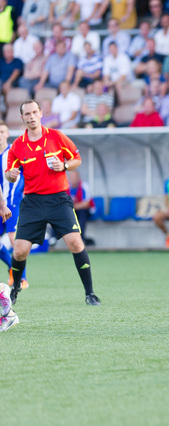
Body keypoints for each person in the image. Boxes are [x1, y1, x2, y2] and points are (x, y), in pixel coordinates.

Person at [5, 100, 101, 306]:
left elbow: (76, 158)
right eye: (27, 114)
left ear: (40, 113)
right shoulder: (17, 146)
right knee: (19, 250)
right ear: (22, 118)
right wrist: (12, 175)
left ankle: (90, 293)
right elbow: (10, 175)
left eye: (34, 112)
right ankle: (15, 288)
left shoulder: (56, 136)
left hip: (58, 199)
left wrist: (64, 165)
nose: (31, 117)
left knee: (75, 243)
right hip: (32, 202)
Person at [0, 120, 27, 289]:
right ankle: (12, 267)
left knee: (14, 239)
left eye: (2, 131)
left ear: (8, 134)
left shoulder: (14, 152)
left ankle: (22, 279)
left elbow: (29, 171)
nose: (0, 135)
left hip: (13, 203)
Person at [66, 170, 95, 245]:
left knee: (83, 212)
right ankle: (53, 238)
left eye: (75, 177)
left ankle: (80, 238)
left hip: (86, 211)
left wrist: (72, 207)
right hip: (72, 210)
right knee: (58, 213)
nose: (73, 179)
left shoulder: (84, 186)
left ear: (78, 178)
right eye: (71, 177)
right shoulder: (66, 186)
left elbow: (86, 204)